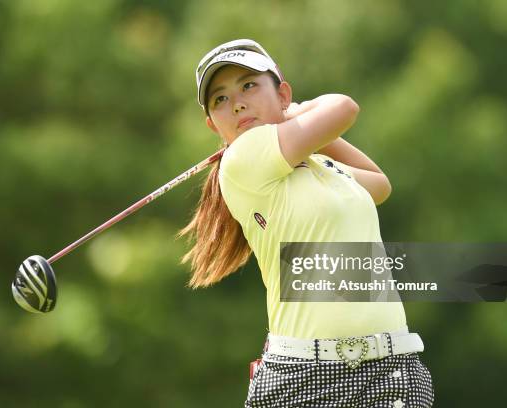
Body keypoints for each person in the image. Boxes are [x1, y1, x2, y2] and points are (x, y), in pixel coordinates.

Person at [178, 39, 434, 408]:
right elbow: (344, 107)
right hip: (306, 379)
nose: (237, 103)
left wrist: (305, 129)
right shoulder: (242, 159)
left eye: (249, 85)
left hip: (391, 373)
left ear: (282, 92)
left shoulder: (317, 166)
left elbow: (378, 185)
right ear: (212, 123)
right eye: (220, 99)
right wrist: (296, 114)